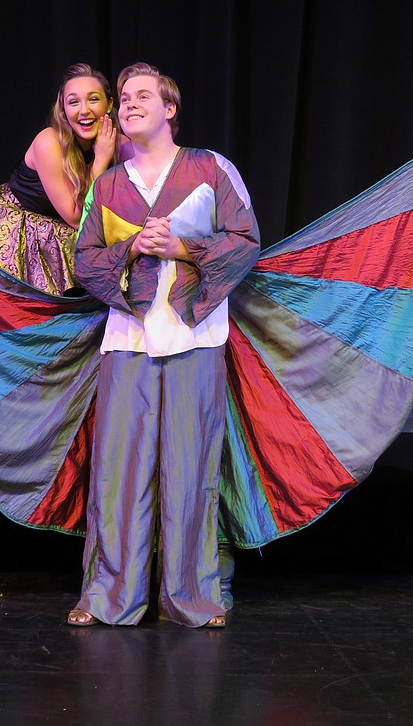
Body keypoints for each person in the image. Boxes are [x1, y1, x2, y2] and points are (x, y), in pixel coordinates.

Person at [66, 62, 260, 627]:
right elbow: (86, 261)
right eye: (123, 97)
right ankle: (109, 596)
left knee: (190, 465)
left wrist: (183, 248)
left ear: (170, 109)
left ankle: (193, 598)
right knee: (118, 469)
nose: (127, 104)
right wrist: (129, 252)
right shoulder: (108, 185)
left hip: (195, 334)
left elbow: (246, 240)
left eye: (141, 96)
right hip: (127, 339)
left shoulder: (210, 168)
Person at [0, 63, 123, 294]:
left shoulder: (115, 141)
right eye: (73, 102)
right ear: (63, 109)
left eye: (93, 99)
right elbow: (77, 219)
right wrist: (100, 162)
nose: (84, 110)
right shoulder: (48, 143)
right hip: (17, 224)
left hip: (57, 228)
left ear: (109, 105)